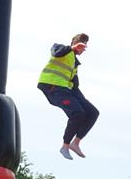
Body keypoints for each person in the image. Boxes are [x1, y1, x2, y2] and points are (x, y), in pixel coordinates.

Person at [37, 32, 100, 160]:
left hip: (66, 90)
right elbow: (56, 53)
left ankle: (75, 143)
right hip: (53, 87)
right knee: (77, 113)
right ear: (74, 43)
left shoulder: (74, 63)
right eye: (81, 45)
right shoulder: (59, 47)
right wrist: (72, 48)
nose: (83, 49)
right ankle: (65, 146)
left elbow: (74, 86)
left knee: (92, 112)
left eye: (85, 46)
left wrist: (83, 101)